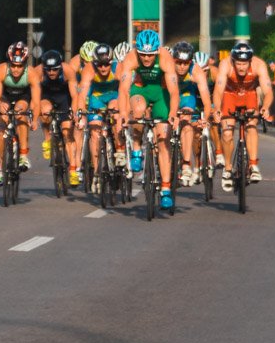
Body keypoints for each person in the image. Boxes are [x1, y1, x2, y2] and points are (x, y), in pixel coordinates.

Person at [118, 29, 180, 210]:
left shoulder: (166, 58)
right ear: (138, 51)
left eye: (150, 55)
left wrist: (173, 114)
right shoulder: (131, 58)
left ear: (157, 51)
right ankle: (137, 147)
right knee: (137, 111)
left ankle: (166, 190)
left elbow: (174, 92)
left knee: (163, 139)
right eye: (143, 55)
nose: (146, 59)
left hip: (161, 94)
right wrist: (123, 113)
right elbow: (123, 90)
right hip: (141, 91)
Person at [212, 41, 273, 190]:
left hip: (249, 95)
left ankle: (253, 165)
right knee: (227, 133)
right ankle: (227, 168)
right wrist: (217, 109)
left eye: (245, 64)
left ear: (250, 61)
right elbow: (218, 90)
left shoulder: (259, 65)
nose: (241, 67)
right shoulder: (225, 65)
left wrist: (265, 107)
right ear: (233, 60)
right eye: (238, 63)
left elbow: (268, 91)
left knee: (251, 127)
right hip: (230, 95)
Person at [0, 43, 40, 185]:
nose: (16, 69)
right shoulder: (0, 70)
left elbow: (36, 102)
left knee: (20, 114)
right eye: (13, 65)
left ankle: (23, 155)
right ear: (9, 63)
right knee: (1, 127)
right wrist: (0, 104)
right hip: (4, 97)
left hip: (23, 97)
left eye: (20, 66)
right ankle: (0, 167)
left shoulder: (31, 73)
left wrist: (35, 119)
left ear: (25, 64)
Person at [77, 42, 123, 188]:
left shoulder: (118, 68)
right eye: (99, 65)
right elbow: (82, 93)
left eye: (106, 65)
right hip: (97, 98)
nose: (103, 68)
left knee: (115, 114)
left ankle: (120, 149)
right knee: (94, 131)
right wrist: (81, 113)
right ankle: (97, 172)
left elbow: (125, 90)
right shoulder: (89, 69)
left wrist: (124, 110)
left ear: (111, 62)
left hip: (114, 96)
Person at [170, 41, 212, 186]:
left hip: (187, 97)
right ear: (173, 60)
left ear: (190, 62)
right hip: (169, 95)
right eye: (179, 62)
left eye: (186, 63)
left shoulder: (196, 72)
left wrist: (205, 119)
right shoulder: (167, 68)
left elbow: (207, 102)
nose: (182, 67)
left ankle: (186, 164)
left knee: (187, 119)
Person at [36, 49, 80, 186]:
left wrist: (74, 112)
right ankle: (48, 139)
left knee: (67, 132)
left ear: (60, 66)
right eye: (48, 70)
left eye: (54, 70)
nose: (51, 73)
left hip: (63, 97)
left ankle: (73, 170)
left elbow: (75, 96)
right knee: (45, 112)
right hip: (46, 96)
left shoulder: (68, 71)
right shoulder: (37, 72)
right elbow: (35, 96)